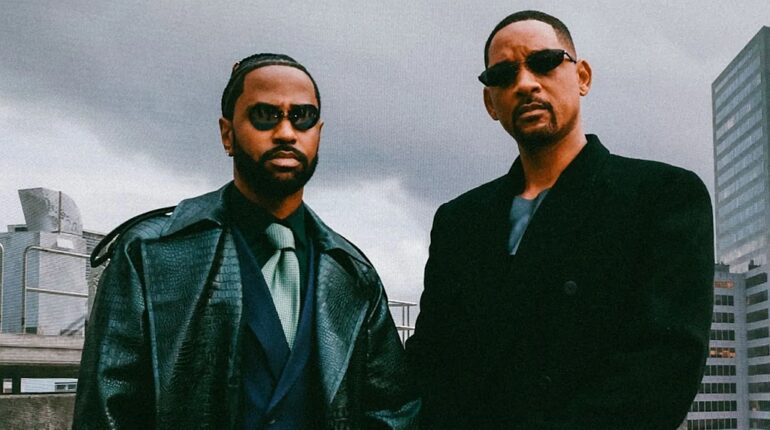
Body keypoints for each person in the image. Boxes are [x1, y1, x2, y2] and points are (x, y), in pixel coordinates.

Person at [73, 53, 419, 429]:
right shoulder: (149, 253)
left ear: (318, 133)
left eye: (302, 117)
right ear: (227, 134)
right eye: (265, 115)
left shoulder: (353, 274)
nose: (286, 132)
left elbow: (392, 411)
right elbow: (104, 414)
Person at [405, 10, 713, 430]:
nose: (525, 84)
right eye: (503, 75)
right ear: (490, 103)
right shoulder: (459, 221)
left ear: (582, 77)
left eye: (545, 62)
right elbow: (430, 363)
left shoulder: (662, 196)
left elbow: (663, 367)